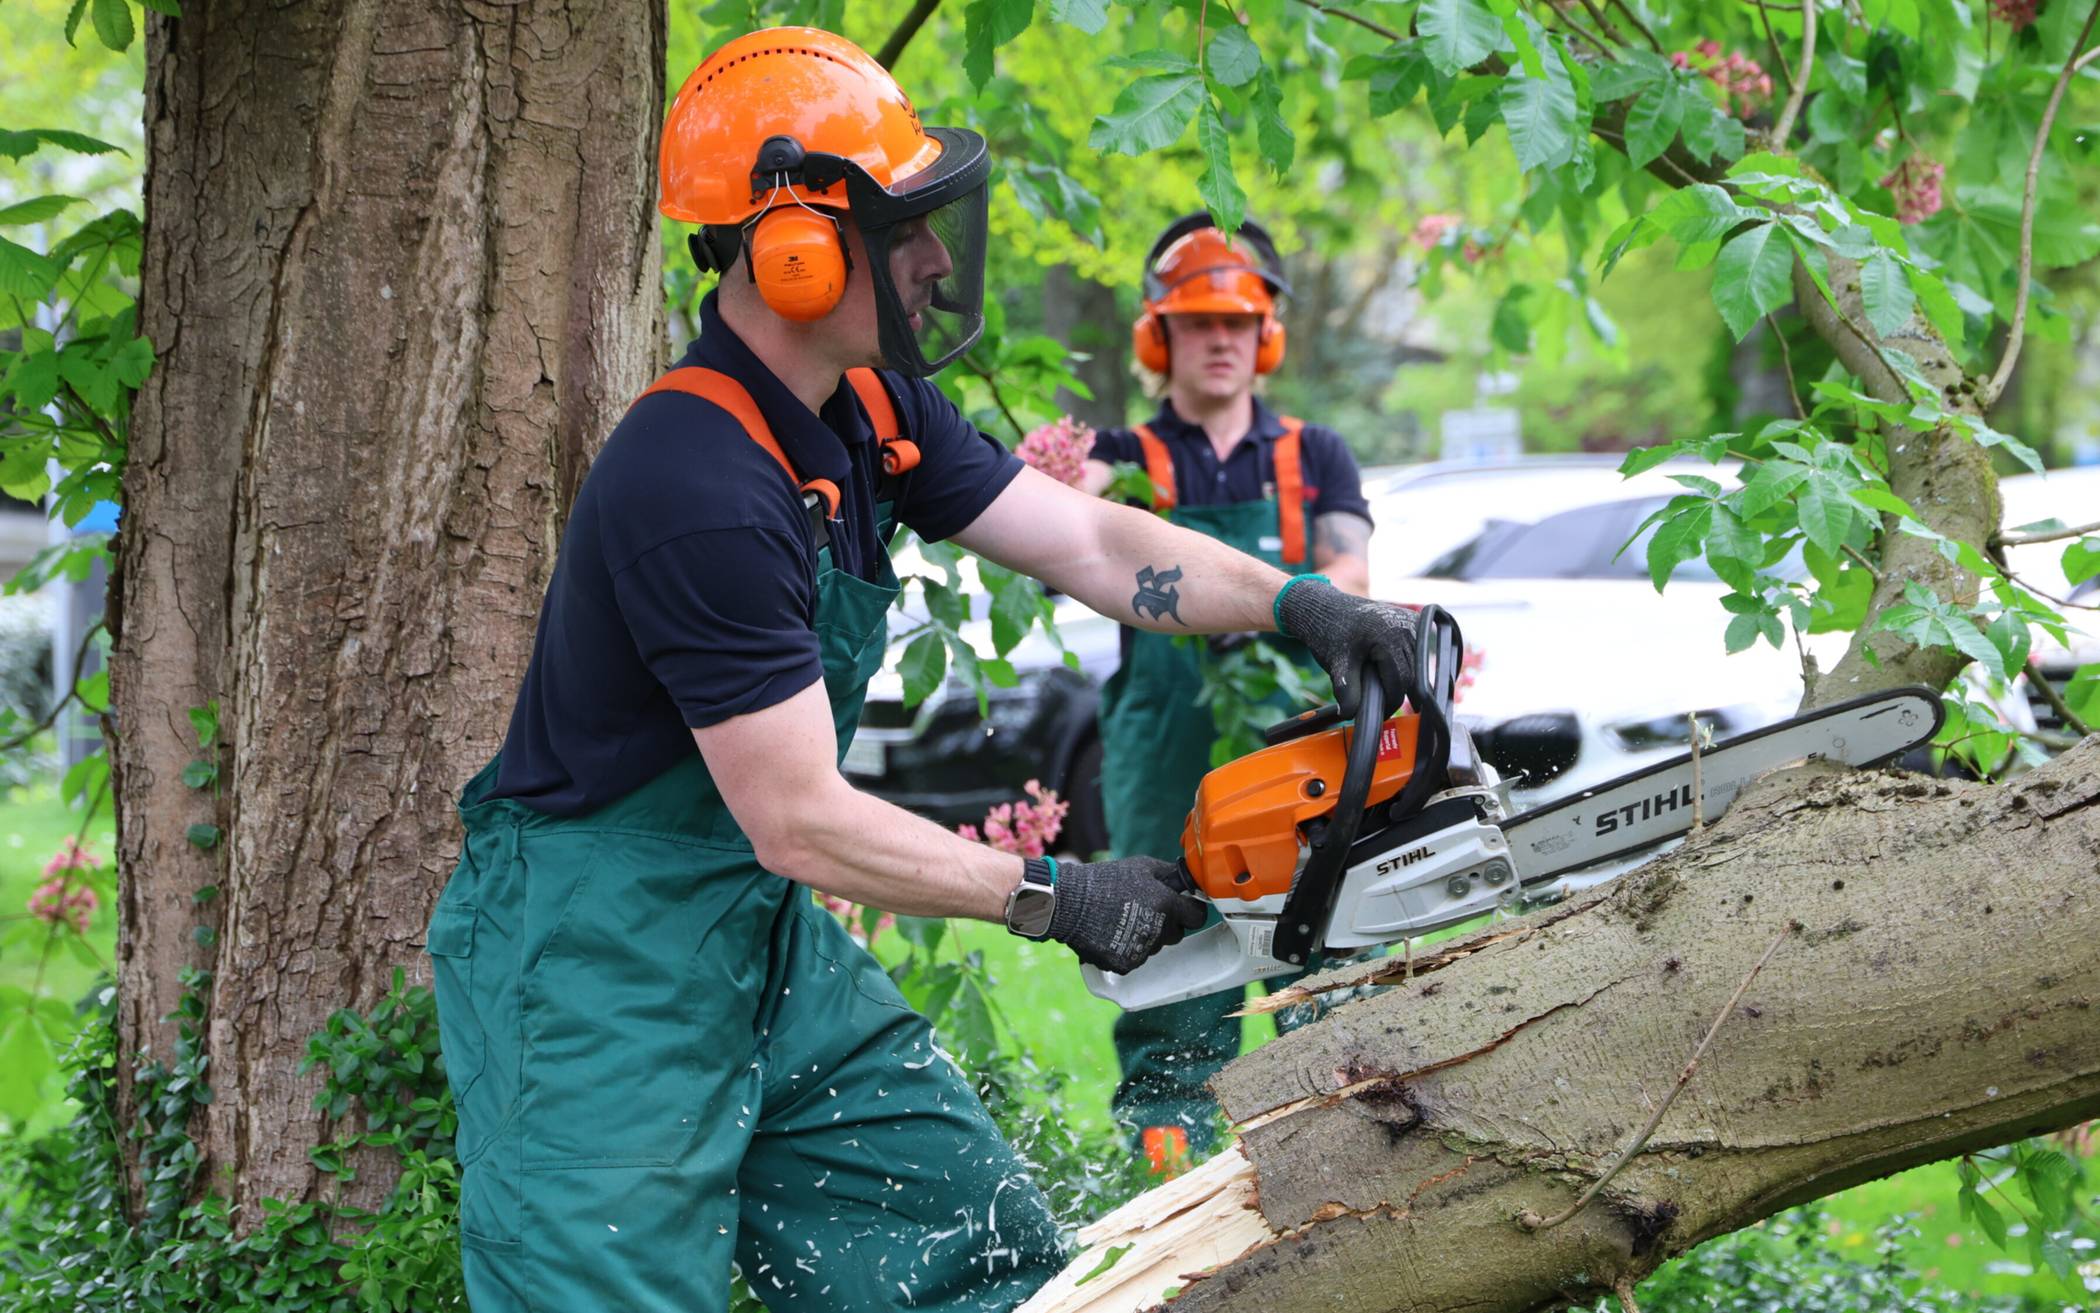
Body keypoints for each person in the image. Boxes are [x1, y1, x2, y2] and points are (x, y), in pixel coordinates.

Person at [426, 29, 1414, 1313]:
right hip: (591, 963)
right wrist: (1054, 894)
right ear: (795, 252)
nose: (940, 258)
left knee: (975, 1257)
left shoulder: (872, 411)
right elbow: (799, 819)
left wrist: (1306, 604)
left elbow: (1091, 539)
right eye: (905, 230)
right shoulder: (699, 481)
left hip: (752, 929)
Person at [1081, 214, 1378, 1177]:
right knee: (1168, 937)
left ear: (1267, 337)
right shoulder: (1118, 458)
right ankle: (1170, 1159)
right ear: (1158, 334)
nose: (1221, 341)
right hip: (1162, 737)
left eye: (1240, 323)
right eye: (1200, 321)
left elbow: (1351, 580)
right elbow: (1064, 545)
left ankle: (1346, 1142)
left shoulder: (1315, 455)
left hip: (1293, 730)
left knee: (1331, 925)